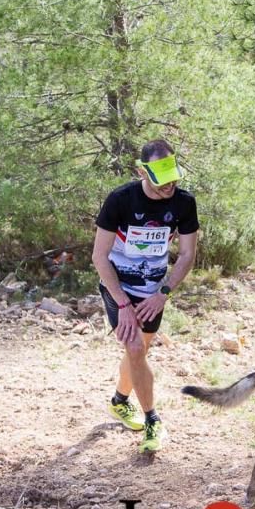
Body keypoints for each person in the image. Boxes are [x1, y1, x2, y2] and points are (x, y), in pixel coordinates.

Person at [91, 139, 199, 453]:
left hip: (153, 292)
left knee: (139, 352)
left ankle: (119, 401)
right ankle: (153, 420)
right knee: (135, 347)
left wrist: (162, 294)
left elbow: (188, 255)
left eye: (173, 177)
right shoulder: (120, 200)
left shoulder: (184, 203)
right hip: (119, 288)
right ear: (142, 171)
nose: (170, 185)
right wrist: (123, 304)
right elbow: (100, 257)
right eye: (161, 178)